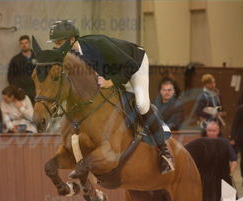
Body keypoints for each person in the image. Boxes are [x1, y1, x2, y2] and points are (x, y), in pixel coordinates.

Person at [47, 19, 174, 174]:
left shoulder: (98, 43)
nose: (56, 47)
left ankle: (165, 151)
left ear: (72, 39)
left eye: (59, 42)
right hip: (110, 72)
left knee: (141, 104)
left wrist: (111, 81)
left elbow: (130, 65)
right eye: (55, 43)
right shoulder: (69, 56)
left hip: (134, 63)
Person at [8, 35, 36, 104]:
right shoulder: (15, 60)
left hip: (36, 90)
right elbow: (10, 77)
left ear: (29, 44)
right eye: (22, 43)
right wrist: (17, 89)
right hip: (22, 92)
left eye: (26, 43)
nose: (24, 45)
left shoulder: (37, 57)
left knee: (37, 112)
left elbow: (43, 73)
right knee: (24, 113)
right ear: (20, 45)